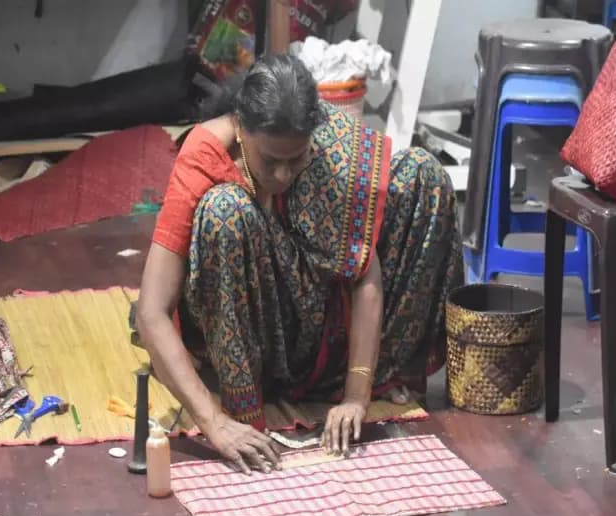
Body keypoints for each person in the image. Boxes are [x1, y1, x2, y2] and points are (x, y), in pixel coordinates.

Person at [135, 54, 462, 474]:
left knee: (423, 175)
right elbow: (151, 311)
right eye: (270, 160)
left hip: (323, 323)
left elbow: (365, 271)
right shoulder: (203, 155)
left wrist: (357, 395)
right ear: (240, 125)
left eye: (297, 158)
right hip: (251, 334)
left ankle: (373, 376)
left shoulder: (327, 145)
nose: (285, 173)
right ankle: (246, 405)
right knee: (225, 212)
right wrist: (213, 423)